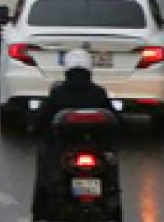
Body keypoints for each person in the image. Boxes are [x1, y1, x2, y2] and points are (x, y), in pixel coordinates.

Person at [31, 49, 116, 218]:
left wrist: (34, 125)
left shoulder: (58, 93)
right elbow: (116, 122)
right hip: (96, 150)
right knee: (111, 176)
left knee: (45, 173)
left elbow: (41, 120)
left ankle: (39, 212)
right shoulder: (98, 93)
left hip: (65, 151)